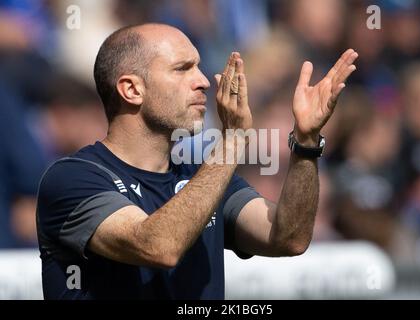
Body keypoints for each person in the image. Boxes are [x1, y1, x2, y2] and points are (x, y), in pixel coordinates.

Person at [36, 23, 358, 299]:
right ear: (131, 89)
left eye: (199, 67)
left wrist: (306, 141)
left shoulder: (202, 175)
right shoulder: (73, 179)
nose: (203, 81)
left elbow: (287, 237)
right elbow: (159, 247)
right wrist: (232, 141)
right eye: (182, 69)